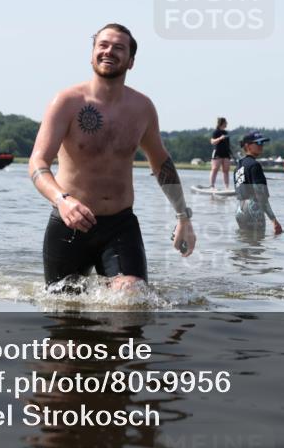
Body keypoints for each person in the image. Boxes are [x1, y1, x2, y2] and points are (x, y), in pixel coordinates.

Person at [28, 23, 196, 290]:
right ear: (92, 54)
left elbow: (161, 163)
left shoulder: (142, 108)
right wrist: (62, 200)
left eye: (119, 48)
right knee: (65, 306)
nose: (109, 51)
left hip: (120, 224)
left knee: (132, 294)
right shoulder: (67, 102)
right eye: (103, 45)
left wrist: (183, 217)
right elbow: (38, 163)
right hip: (70, 222)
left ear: (131, 61)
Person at [234, 132, 282, 235]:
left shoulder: (238, 166)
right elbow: (261, 196)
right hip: (254, 210)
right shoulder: (255, 165)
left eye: (262, 143)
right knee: (257, 243)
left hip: (239, 210)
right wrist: (274, 220)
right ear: (247, 146)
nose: (261, 145)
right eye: (258, 143)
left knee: (244, 241)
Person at [209, 117, 231, 189]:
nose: (227, 124)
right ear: (222, 123)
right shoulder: (216, 132)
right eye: (225, 122)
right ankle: (212, 186)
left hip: (226, 153)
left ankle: (227, 187)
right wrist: (220, 138)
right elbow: (212, 142)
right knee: (215, 169)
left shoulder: (226, 133)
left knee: (226, 170)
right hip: (217, 153)